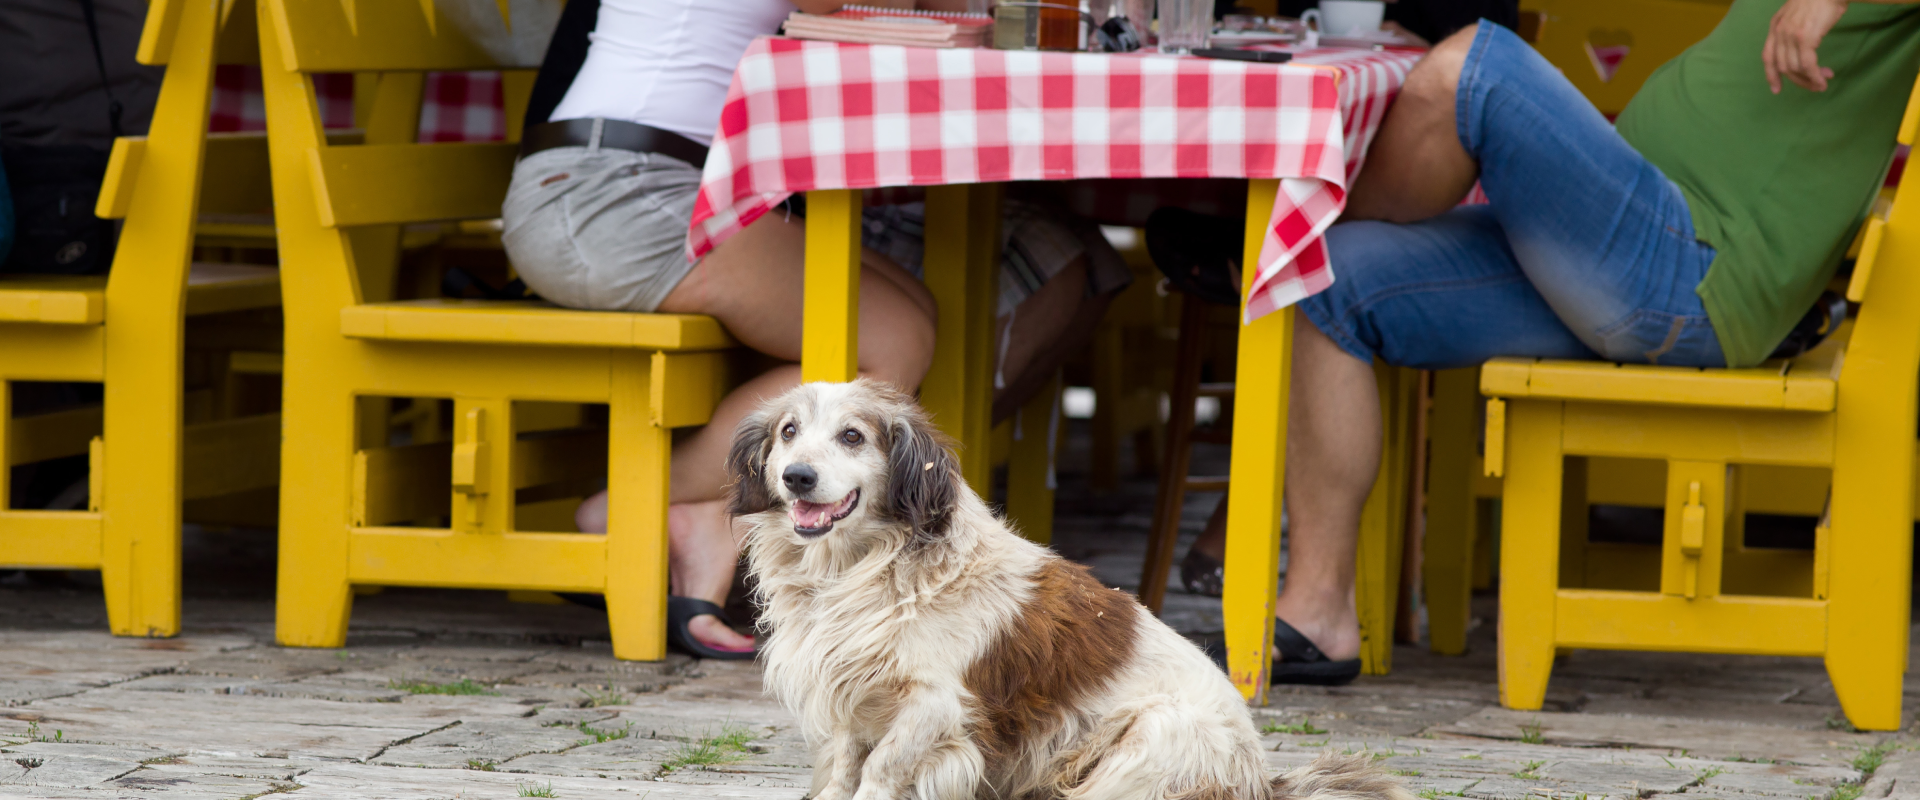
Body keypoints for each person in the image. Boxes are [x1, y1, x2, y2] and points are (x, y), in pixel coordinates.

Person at [1158, 0, 1920, 684]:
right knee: (1321, 279)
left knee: (1472, 66)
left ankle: (1269, 248)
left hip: (1692, 271)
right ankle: (1320, 612)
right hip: (1629, 255)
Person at [502, 0, 1129, 658]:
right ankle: (641, 510)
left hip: (655, 181)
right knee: (890, 343)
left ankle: (711, 517)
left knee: (913, 314)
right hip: (610, 195)